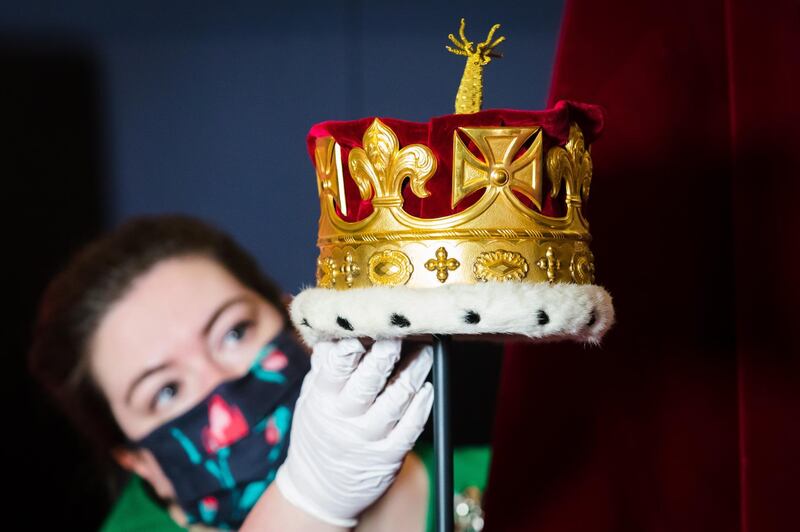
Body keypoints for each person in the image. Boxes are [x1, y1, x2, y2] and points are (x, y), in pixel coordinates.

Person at [27, 213, 436, 531]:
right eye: (166, 391)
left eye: (234, 332)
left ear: (295, 318)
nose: (221, 382)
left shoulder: (492, 475)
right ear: (141, 464)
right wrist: (313, 500)